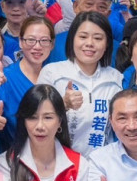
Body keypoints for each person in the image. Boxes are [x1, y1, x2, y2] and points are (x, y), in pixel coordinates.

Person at [38, 12, 124, 156]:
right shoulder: (52, 73)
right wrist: (62, 105)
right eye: (83, 37)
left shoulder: (116, 79)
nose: (89, 43)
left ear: (107, 43)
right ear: (72, 39)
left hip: (101, 165)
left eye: (97, 38)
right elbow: (35, 118)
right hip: (60, 163)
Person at [0, 16, 54, 155]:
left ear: (52, 44)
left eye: (44, 41)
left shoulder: (56, 75)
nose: (37, 46)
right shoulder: (6, 77)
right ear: (21, 42)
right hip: (13, 160)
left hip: (49, 158)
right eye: (30, 40)